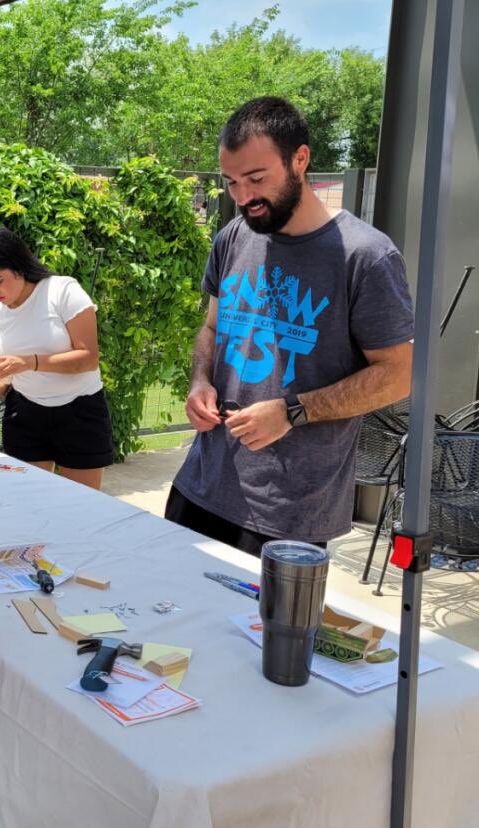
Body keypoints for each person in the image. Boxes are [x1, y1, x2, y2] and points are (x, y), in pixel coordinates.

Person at [167, 96, 414, 555]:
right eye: (232, 182)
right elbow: (212, 328)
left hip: (288, 511)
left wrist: (292, 412)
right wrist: (200, 380)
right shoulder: (233, 237)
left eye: (256, 178)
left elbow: (399, 375)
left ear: (300, 159)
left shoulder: (366, 256)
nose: (243, 197)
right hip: (201, 483)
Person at [0, 227, 113, 490]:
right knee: (29, 501)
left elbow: (88, 358)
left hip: (80, 410)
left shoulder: (62, 291)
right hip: (25, 414)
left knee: (82, 504)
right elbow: (2, 383)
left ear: (18, 266)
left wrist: (30, 362)